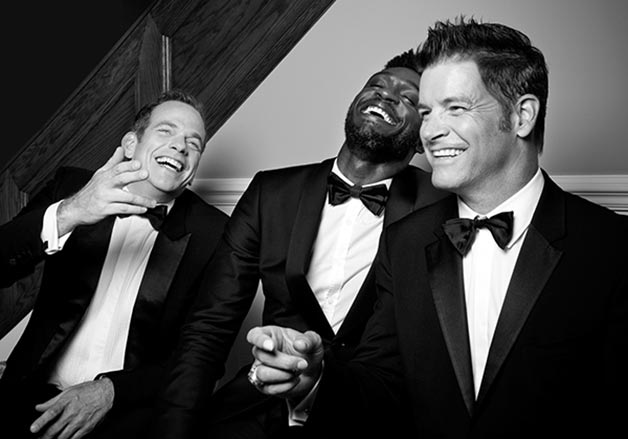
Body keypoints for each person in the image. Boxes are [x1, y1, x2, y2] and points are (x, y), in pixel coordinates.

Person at [246, 17, 628, 438]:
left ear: (522, 116)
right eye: (426, 112)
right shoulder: (405, 242)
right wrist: (315, 381)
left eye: (455, 108)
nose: (430, 131)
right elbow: (381, 387)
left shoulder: (612, 247)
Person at [149, 50, 447, 438]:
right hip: (263, 403)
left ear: (423, 137)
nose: (386, 95)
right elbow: (209, 327)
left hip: (371, 416)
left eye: (407, 97)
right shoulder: (271, 193)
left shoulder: (441, 210)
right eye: (376, 85)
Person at [0, 89, 229, 439]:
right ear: (131, 145)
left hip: (130, 417)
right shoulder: (72, 187)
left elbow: (203, 358)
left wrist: (111, 391)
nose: (181, 146)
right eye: (166, 131)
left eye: (194, 143)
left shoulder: (214, 233)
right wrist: (72, 212)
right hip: (29, 402)